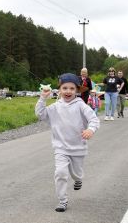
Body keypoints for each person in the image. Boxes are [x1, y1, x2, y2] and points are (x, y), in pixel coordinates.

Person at [35, 73, 99, 212]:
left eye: (71, 88)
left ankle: (78, 179)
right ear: (59, 90)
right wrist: (42, 99)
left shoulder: (81, 105)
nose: (68, 91)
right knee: (60, 172)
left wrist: (90, 130)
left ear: (77, 91)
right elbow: (41, 115)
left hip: (78, 148)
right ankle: (62, 201)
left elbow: (94, 119)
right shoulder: (55, 107)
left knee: (76, 174)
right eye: (65, 88)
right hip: (61, 148)